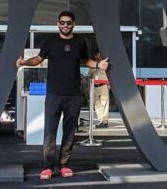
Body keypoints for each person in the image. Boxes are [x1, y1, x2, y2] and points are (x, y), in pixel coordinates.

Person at [16, 11, 109, 180]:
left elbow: (85, 60)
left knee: (70, 132)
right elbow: (38, 59)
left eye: (68, 23)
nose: (65, 25)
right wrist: (24, 62)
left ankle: (64, 165)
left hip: (74, 95)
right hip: (53, 95)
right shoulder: (50, 42)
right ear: (58, 23)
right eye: (63, 22)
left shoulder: (80, 42)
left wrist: (98, 65)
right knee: (50, 132)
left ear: (74, 24)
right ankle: (48, 167)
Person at [89, 49, 110, 128]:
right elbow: (89, 76)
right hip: (95, 87)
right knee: (97, 104)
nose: (99, 56)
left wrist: (109, 85)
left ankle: (105, 121)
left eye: (100, 55)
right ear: (95, 56)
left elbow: (109, 75)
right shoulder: (93, 65)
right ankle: (101, 120)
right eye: (97, 55)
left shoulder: (105, 64)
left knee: (104, 103)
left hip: (103, 86)